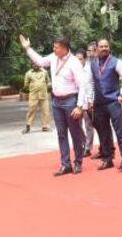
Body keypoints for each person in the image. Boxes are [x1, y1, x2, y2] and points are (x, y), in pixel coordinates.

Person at [20, 34, 88, 176]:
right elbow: (39, 61)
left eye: (56, 47)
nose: (53, 49)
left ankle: (78, 162)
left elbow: (82, 86)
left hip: (71, 101)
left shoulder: (74, 62)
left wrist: (79, 106)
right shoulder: (53, 57)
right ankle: (65, 164)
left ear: (64, 48)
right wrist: (28, 48)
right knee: (61, 134)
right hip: (56, 101)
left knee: (75, 134)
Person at [87, 39, 122, 171]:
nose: (104, 48)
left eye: (106, 46)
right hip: (99, 103)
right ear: (97, 49)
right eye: (101, 46)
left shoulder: (116, 62)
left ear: (109, 48)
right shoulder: (92, 64)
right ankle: (107, 159)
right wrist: (90, 99)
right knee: (103, 132)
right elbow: (90, 82)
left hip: (113, 101)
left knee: (119, 130)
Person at [75, 48, 97, 158]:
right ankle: (83, 143)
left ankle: (88, 147)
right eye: (76, 59)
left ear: (85, 59)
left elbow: (93, 85)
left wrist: (92, 100)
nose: (78, 61)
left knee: (89, 125)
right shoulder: (73, 69)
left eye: (80, 59)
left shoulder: (90, 68)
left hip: (88, 101)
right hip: (77, 102)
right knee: (77, 125)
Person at [23, 64, 51, 133]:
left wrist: (48, 87)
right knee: (31, 110)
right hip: (33, 95)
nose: (35, 65)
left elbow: (48, 82)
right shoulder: (28, 73)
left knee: (46, 111)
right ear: (31, 64)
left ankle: (45, 126)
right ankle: (28, 125)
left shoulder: (44, 72)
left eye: (36, 63)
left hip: (43, 95)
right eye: (33, 63)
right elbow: (26, 85)